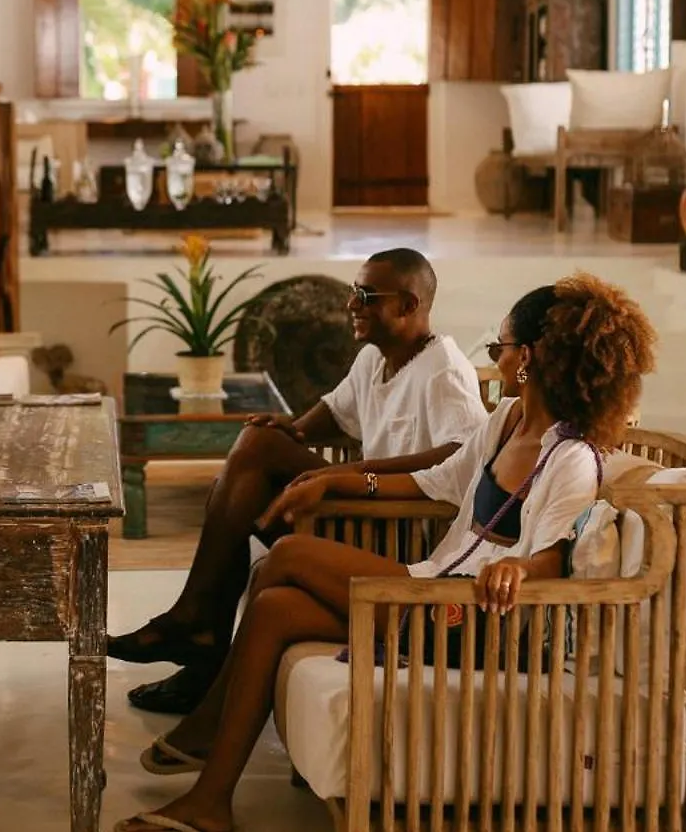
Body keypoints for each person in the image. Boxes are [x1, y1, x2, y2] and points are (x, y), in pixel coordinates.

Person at [112, 273, 657, 832]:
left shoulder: (571, 458)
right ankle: (210, 802)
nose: (495, 358)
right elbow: (435, 480)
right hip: (432, 588)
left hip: (480, 621)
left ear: (531, 358)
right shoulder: (506, 422)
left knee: (289, 554)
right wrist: (337, 479)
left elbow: (554, 555)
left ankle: (207, 721)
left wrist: (518, 567)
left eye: (501, 347)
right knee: (274, 607)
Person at [109, 248, 488, 715]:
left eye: (367, 296)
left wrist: (347, 473)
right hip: (363, 513)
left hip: (399, 535)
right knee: (258, 444)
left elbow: (464, 456)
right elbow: (336, 411)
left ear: (408, 305)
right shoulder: (375, 358)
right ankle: (201, 633)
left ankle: (198, 628)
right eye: (354, 291)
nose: (351, 304)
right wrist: (294, 430)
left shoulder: (445, 370)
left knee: (257, 454)